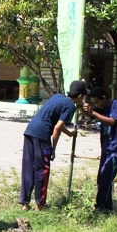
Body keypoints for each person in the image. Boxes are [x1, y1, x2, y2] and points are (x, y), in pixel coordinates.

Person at [19, 80, 88, 211]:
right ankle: (40, 204)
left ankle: (25, 203)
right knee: (42, 169)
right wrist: (53, 149)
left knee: (29, 167)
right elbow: (57, 128)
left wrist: (70, 133)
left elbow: (57, 124)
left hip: (30, 131)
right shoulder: (70, 106)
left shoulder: (58, 96)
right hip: (42, 135)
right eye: (83, 97)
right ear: (80, 96)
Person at [82, 87, 117, 213]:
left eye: (97, 102)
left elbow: (111, 122)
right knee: (102, 177)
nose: (97, 105)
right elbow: (90, 114)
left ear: (104, 98)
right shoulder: (101, 108)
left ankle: (100, 207)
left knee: (105, 176)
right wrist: (83, 107)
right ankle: (107, 206)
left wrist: (93, 113)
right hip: (107, 148)